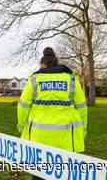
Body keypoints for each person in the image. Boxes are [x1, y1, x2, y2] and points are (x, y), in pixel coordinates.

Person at [17, 47, 88, 180]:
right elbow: (82, 107)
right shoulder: (71, 79)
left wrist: (21, 126)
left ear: (42, 65)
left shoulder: (34, 80)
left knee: (39, 175)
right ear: (56, 62)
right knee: (64, 174)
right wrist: (83, 129)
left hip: (38, 138)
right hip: (66, 139)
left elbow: (22, 106)